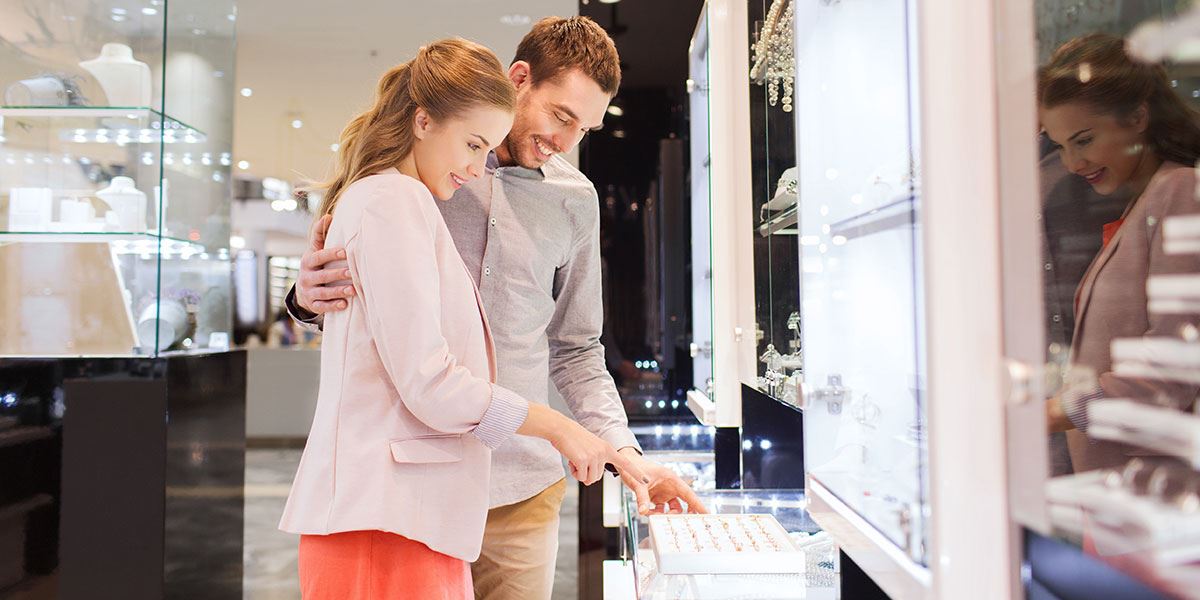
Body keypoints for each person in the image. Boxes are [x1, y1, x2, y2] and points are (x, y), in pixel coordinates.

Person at [287, 17, 707, 599]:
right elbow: (348, 292)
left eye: (583, 128)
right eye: (561, 116)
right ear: (519, 79)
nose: (566, 142)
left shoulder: (573, 202)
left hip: (522, 483)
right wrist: (305, 299)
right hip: (415, 481)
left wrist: (625, 454)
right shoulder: (423, 174)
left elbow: (578, 349)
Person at [1039, 33, 1200, 472]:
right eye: (1062, 146)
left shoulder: (1180, 190)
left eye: (1084, 140)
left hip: (1157, 492)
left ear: (1137, 118)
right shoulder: (1146, 201)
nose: (1072, 163)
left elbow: (1173, 364)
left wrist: (1054, 412)